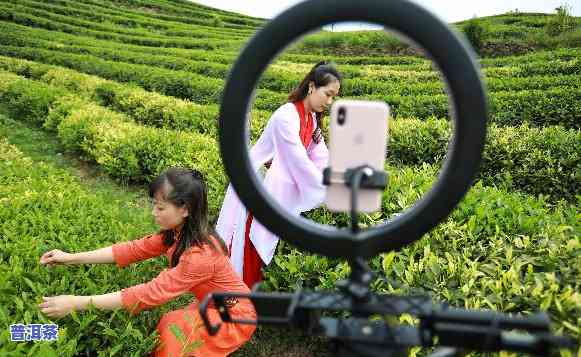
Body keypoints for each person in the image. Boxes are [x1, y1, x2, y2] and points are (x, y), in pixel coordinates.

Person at [39, 168, 256, 357]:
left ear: (185, 209)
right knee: (173, 326)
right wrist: (71, 258)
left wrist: (75, 303)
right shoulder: (179, 232)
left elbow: (150, 293)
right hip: (211, 303)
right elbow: (133, 250)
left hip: (236, 314)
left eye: (160, 208)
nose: (154, 213)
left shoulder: (202, 254)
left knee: (176, 329)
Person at [216, 61, 342, 289]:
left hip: (275, 190)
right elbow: (298, 162)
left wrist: (335, 177)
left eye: (334, 97)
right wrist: (327, 190)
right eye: (328, 94)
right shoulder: (287, 116)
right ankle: (237, 301)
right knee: (248, 248)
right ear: (312, 87)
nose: (330, 101)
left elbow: (321, 156)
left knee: (258, 251)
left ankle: (247, 304)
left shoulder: (311, 119)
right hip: (257, 188)